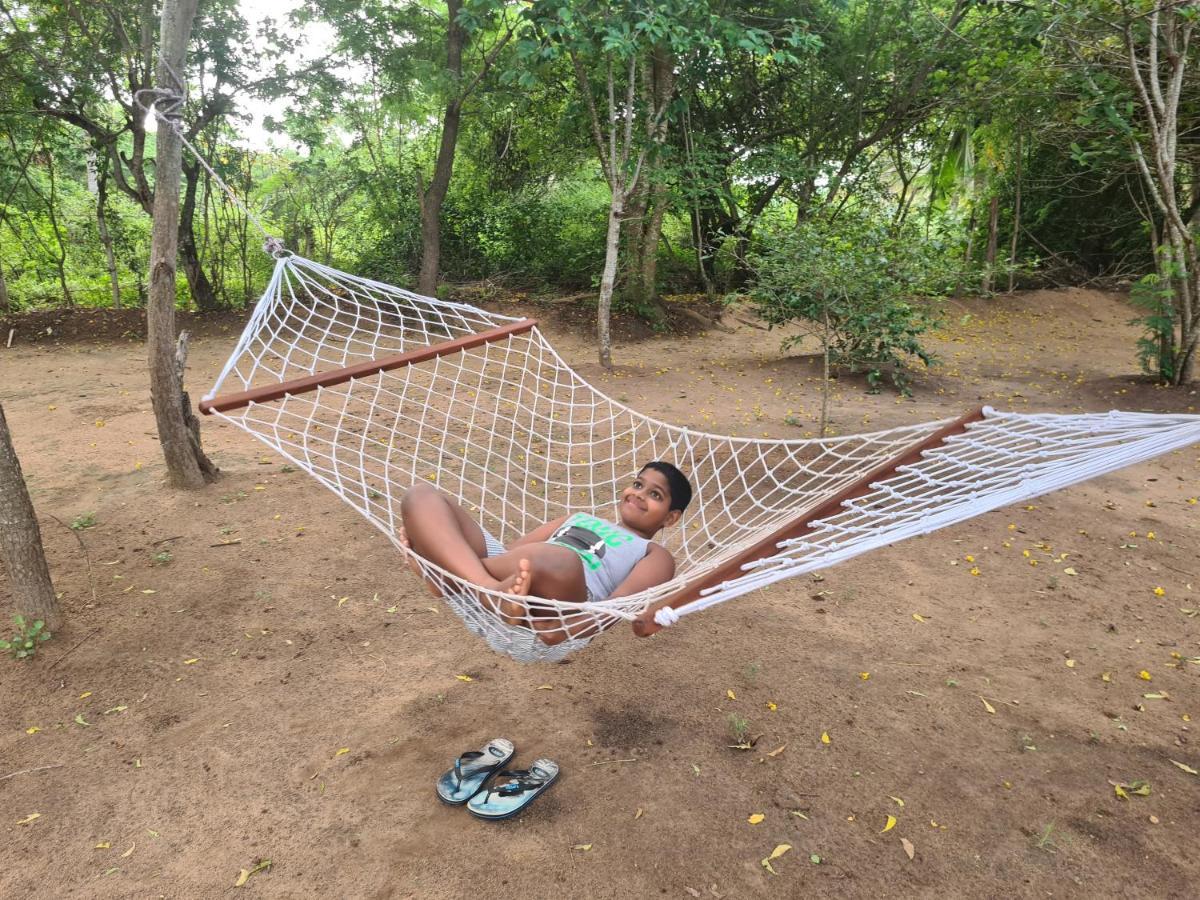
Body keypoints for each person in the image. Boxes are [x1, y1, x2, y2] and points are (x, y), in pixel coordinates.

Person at [398, 462, 692, 645]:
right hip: (510, 580)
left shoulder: (653, 552)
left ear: (670, 518)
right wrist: (500, 577)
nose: (639, 494)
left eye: (655, 495)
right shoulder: (577, 517)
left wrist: (563, 630)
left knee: (558, 558)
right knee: (420, 495)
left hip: (566, 600)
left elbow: (618, 605)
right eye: (638, 484)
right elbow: (514, 552)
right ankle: (478, 587)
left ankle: (447, 576)